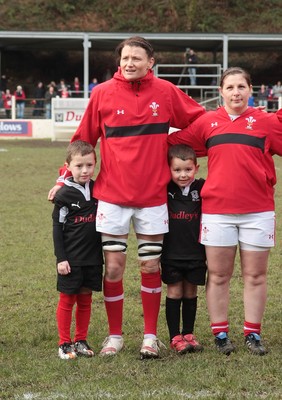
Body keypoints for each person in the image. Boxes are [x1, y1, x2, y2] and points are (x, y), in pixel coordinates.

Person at [48, 36, 206, 359]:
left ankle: (150, 337)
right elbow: (83, 139)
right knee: (114, 269)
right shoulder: (102, 94)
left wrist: (176, 150)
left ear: (151, 62)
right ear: (118, 62)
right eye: (125, 58)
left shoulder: (165, 92)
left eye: (137, 57)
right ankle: (115, 336)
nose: (130, 63)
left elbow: (199, 120)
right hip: (112, 196)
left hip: (152, 196)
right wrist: (63, 177)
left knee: (150, 265)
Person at [168, 67, 282, 356]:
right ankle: (220, 333)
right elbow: (171, 145)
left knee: (255, 276)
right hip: (217, 211)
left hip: (258, 211)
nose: (236, 92)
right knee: (219, 275)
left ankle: (252, 334)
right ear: (221, 92)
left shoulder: (266, 123)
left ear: (250, 90)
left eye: (241, 87)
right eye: (230, 87)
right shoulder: (208, 122)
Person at [52, 140, 103, 360]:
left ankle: (81, 340)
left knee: (85, 299)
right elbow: (57, 228)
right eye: (79, 166)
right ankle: (64, 343)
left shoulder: (99, 188)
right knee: (67, 299)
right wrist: (61, 258)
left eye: (89, 165)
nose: (85, 170)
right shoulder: (63, 195)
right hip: (71, 259)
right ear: (68, 167)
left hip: (93, 258)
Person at [161, 144, 206, 354]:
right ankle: (174, 337)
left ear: (196, 168)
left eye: (187, 169)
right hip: (171, 254)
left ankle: (188, 333)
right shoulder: (164, 188)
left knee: (190, 292)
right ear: (169, 169)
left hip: (196, 253)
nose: (182, 175)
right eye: (177, 170)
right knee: (174, 291)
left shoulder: (202, 188)